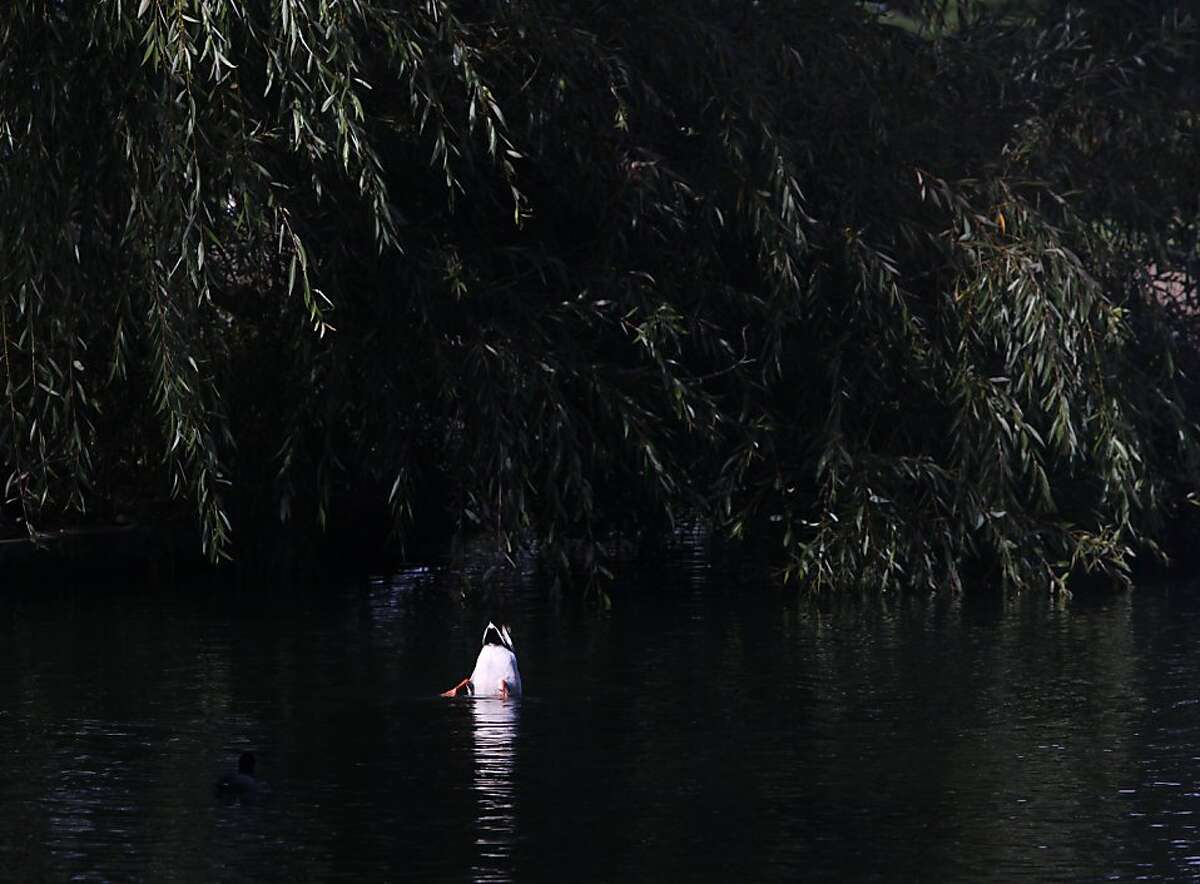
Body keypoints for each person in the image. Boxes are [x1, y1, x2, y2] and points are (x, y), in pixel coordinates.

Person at [442, 622, 522, 698]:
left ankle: (455, 689)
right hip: (504, 691)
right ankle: (504, 686)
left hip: (486, 654)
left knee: (470, 683)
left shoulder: (486, 650)